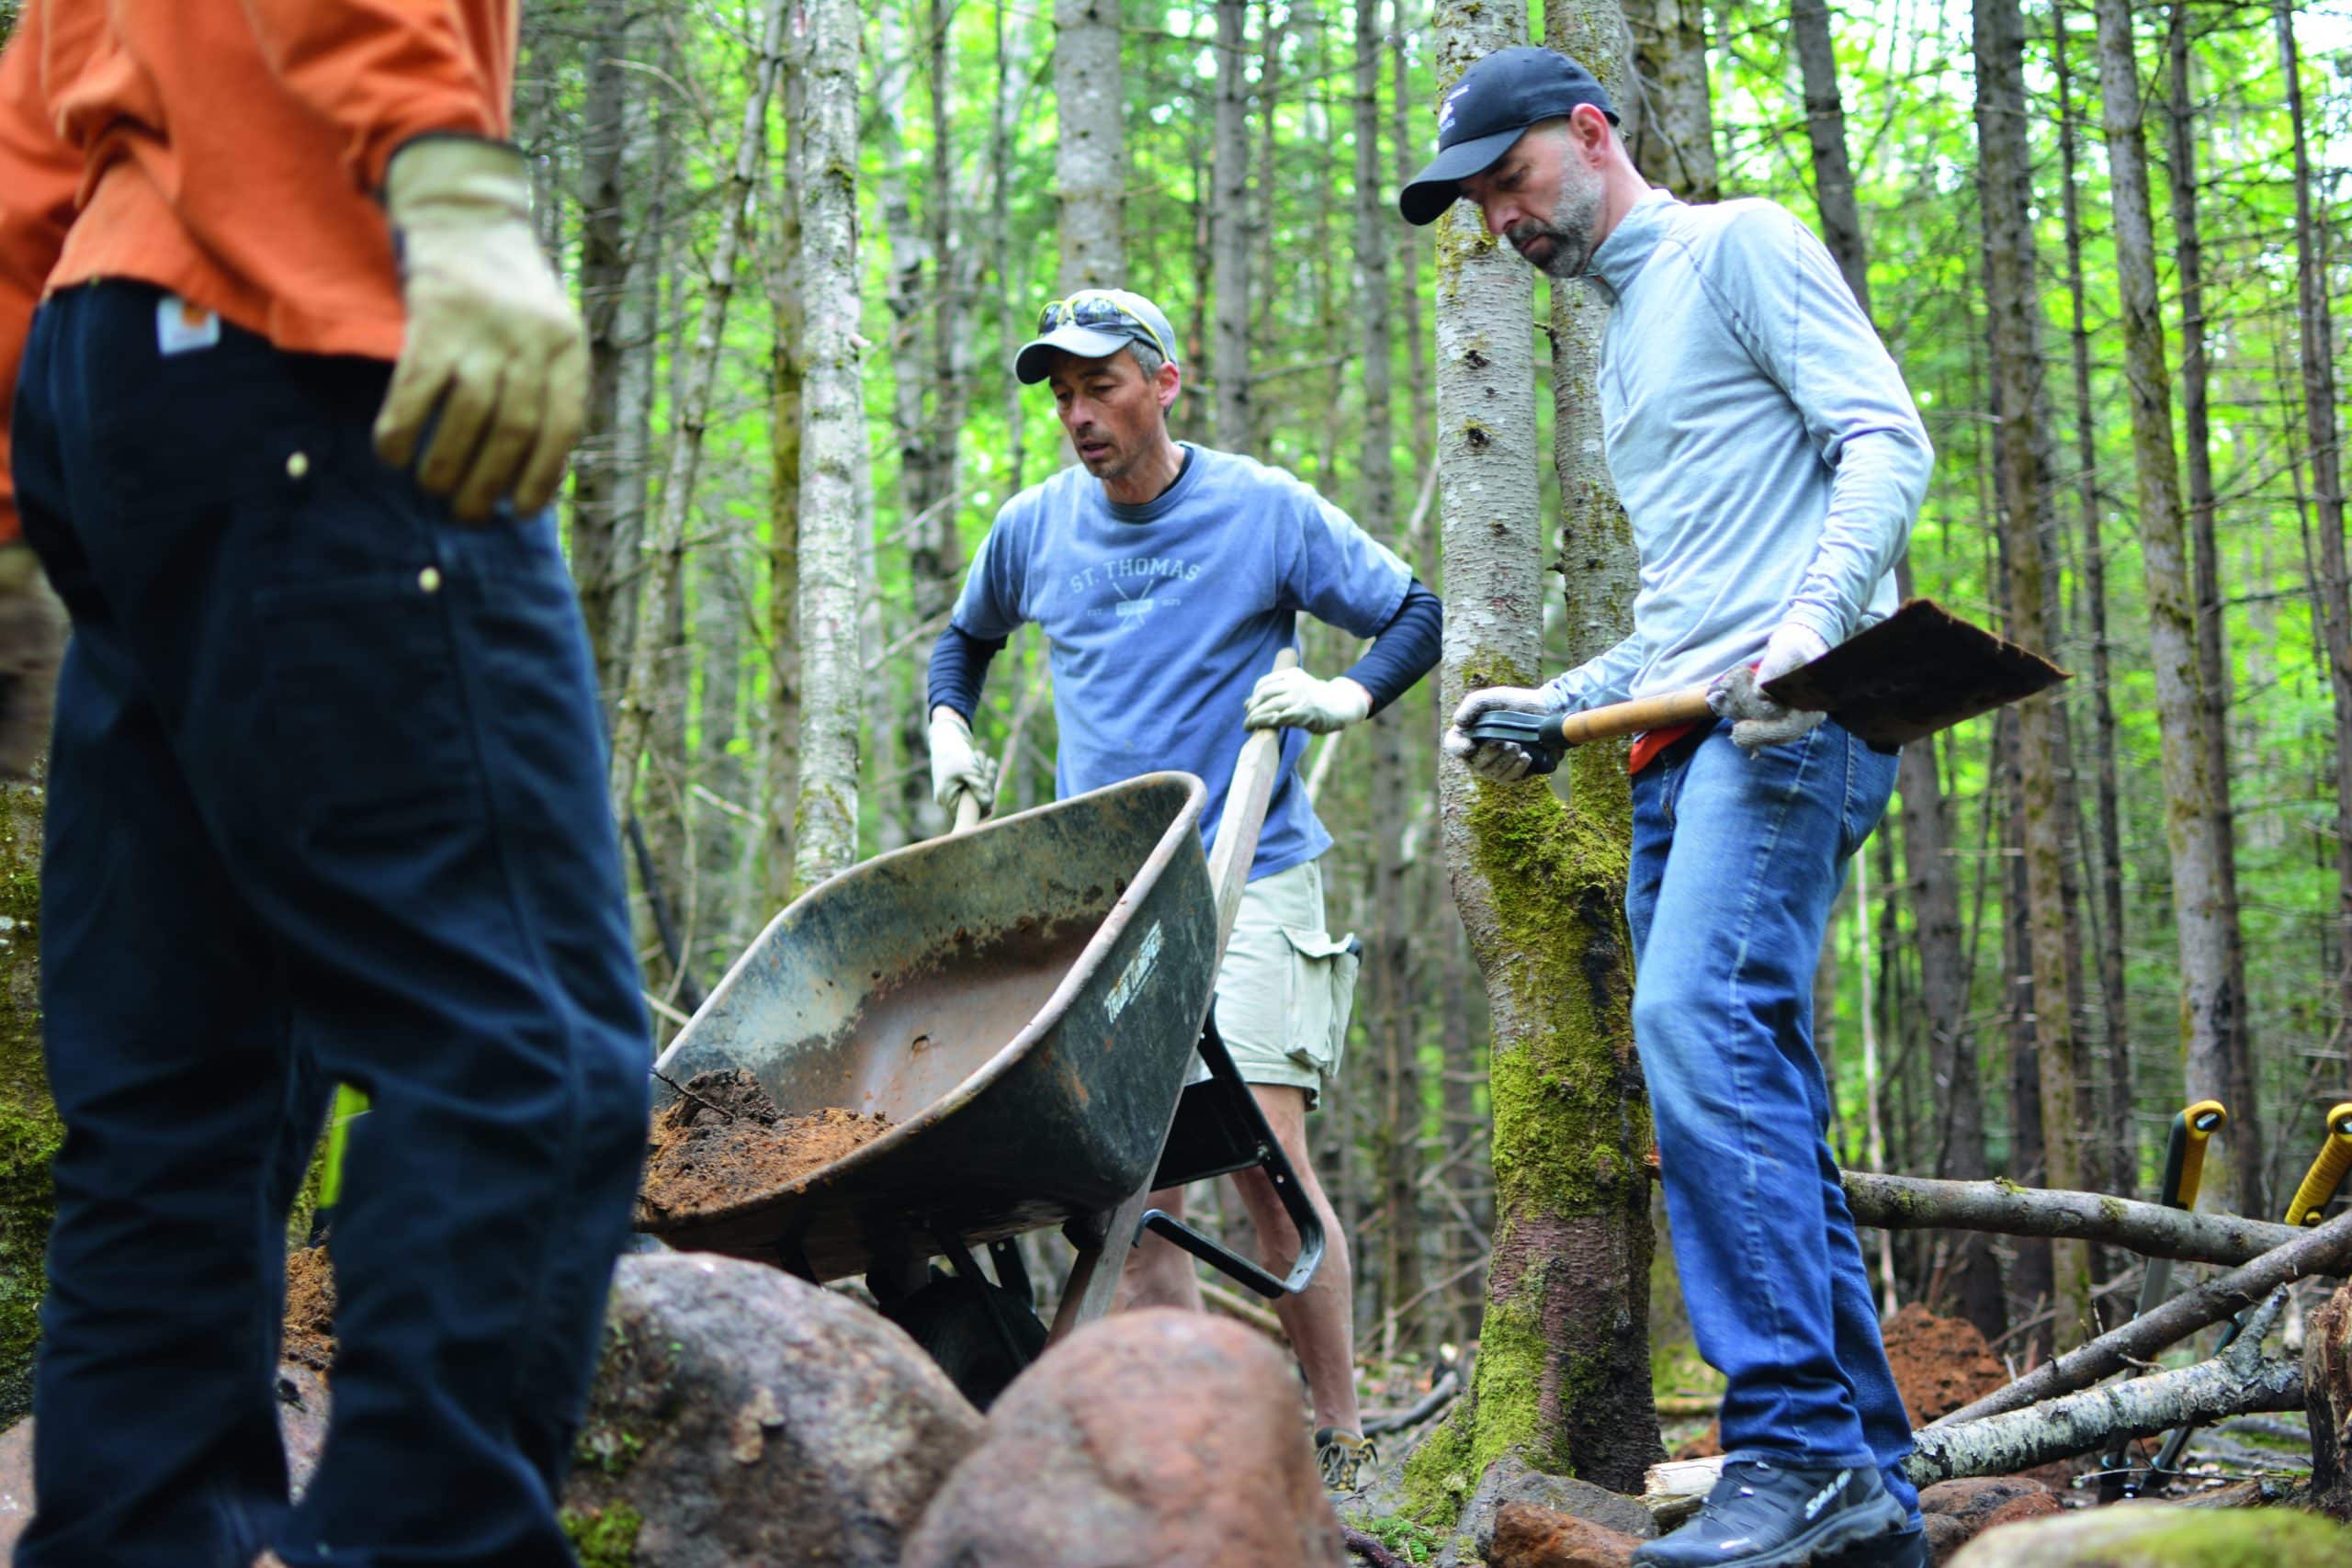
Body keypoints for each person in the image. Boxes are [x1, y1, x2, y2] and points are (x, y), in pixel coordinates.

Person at [0, 6, 650, 1565]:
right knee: (520, 1046)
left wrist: (14, 494)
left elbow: (39, 99)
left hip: (115, 376)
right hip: (306, 325)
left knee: (179, 1093)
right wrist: (454, 185)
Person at [1400, 47, 1936, 1568]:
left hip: (1792, 728)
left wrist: (1818, 622)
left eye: (1514, 180)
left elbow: (1884, 437)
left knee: (1695, 1028)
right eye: (1482, 205)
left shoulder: (1739, 244)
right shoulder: (1625, 347)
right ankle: (1870, 1495)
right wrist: (1557, 702)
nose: (1506, 220)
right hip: (1678, 744)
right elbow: (1685, 618)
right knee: (1753, 1078)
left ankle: (1792, 1448)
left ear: (1591, 133)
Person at [924, 288, 1441, 1491]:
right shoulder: (1036, 527)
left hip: (1252, 870)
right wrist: (952, 723)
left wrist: (1347, 697)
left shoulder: (1262, 511)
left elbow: (1412, 609)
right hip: (1109, 907)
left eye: (1100, 385)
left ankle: (1339, 1436)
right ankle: (1183, 1453)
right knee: (1124, 1185)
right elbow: (968, 639)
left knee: (1267, 1160)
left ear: (1165, 382)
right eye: (1060, 393)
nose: (1078, 414)